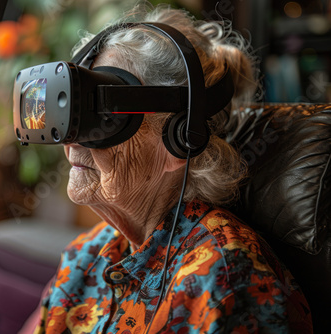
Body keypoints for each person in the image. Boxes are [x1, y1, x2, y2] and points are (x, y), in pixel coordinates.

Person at [29, 4, 313, 334]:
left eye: (102, 117)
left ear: (181, 139)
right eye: (73, 114)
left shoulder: (223, 277)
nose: (73, 139)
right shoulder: (87, 254)